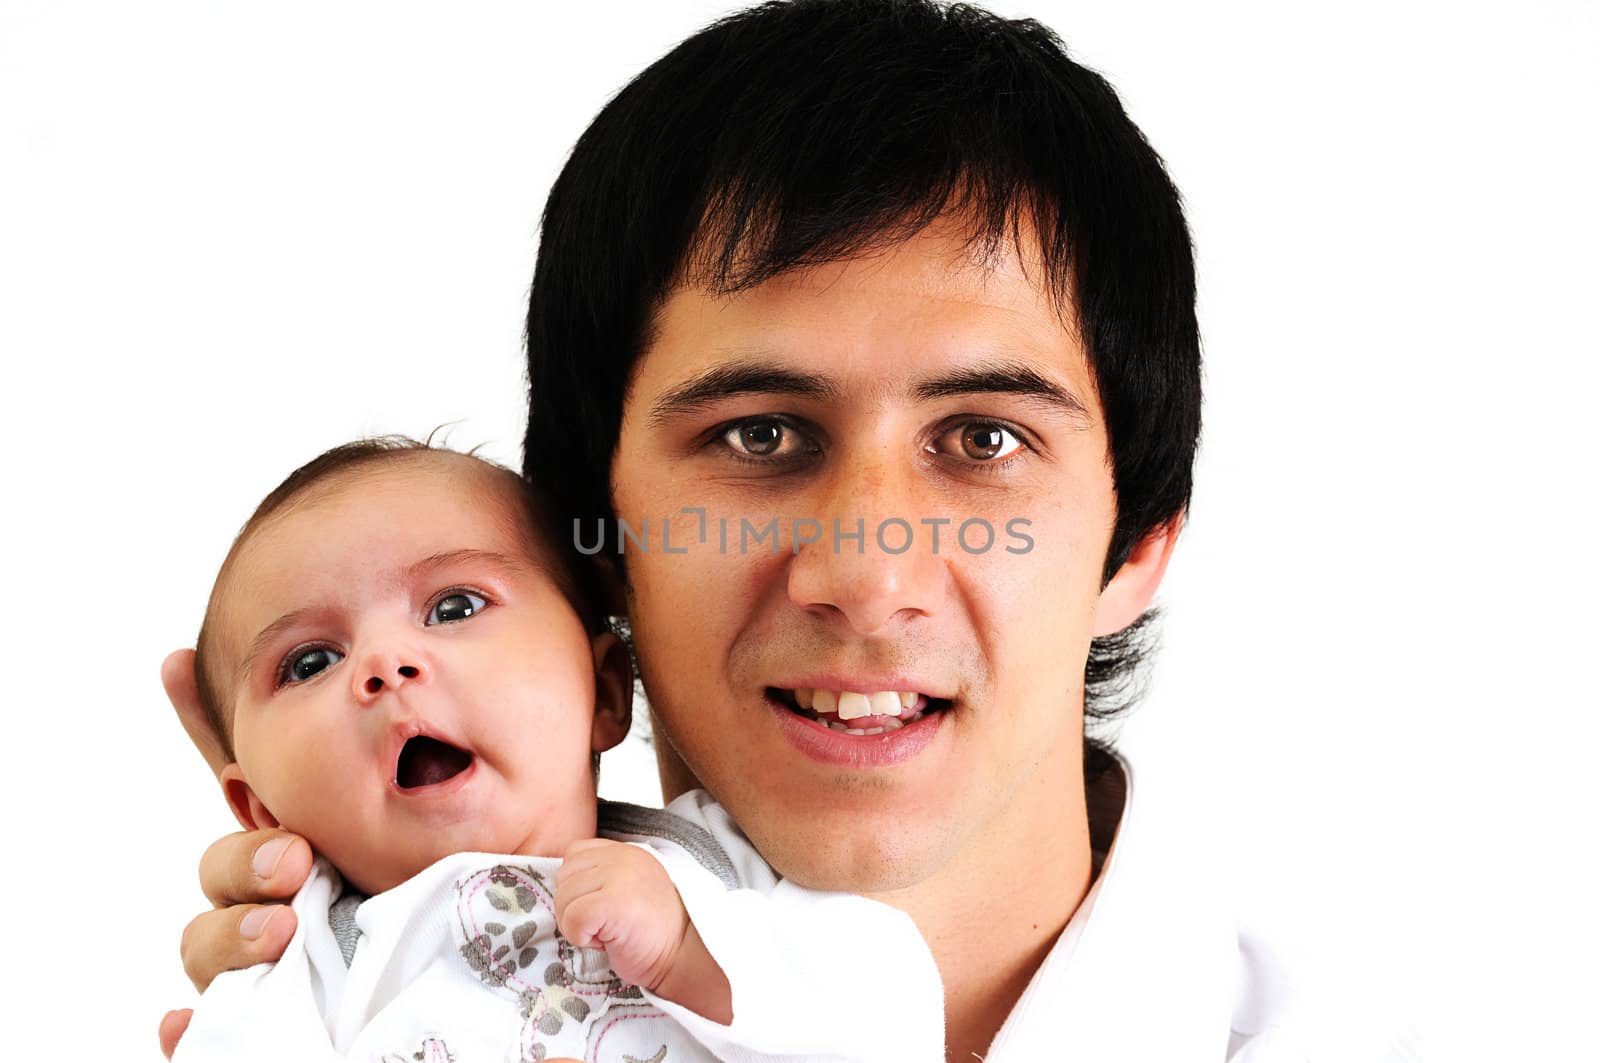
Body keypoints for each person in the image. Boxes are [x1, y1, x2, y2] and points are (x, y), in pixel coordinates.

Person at [163, 1, 1413, 1059]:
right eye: (759, 436)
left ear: (1134, 543)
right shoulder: (322, 995)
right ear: (590, 543)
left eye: (982, 440)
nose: (866, 579)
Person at [170, 437, 942, 1062]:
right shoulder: (299, 965)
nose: (384, 665)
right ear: (258, 807)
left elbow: (889, 1011)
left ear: (605, 691)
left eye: (454, 606)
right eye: (310, 661)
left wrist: (686, 950)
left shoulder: (715, 864)